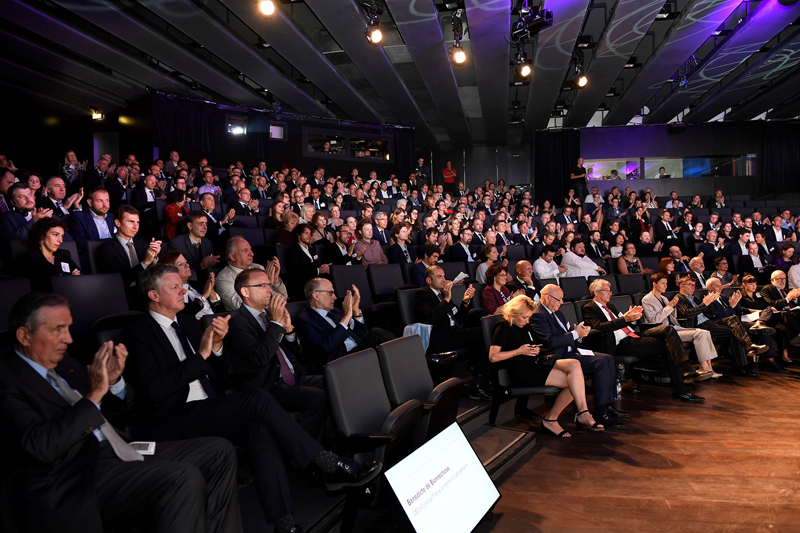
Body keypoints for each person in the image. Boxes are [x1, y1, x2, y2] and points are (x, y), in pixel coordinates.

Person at [121, 265, 381, 533]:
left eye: (181, 285)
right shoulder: (137, 333)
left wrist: (218, 348)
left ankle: (285, 523)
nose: (183, 290)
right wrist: (202, 355)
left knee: (260, 432)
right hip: (174, 415)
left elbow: (219, 376)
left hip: (209, 405)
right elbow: (155, 391)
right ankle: (327, 462)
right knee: (257, 398)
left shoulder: (187, 323)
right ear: (153, 295)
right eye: (174, 287)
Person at [0, 293, 243, 533]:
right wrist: (95, 394)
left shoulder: (66, 365)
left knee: (218, 451)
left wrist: (115, 382)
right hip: (74, 475)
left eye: (68, 328)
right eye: (57, 329)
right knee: (182, 478)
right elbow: (42, 446)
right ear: (24, 335)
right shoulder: (7, 381)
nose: (69, 339)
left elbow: (123, 412)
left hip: (118, 448)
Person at [225, 268, 327, 442]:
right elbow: (261, 357)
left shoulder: (271, 316)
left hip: (295, 375)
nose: (269, 290)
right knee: (317, 398)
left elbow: (300, 354)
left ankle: (337, 437)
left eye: (269, 285)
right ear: (245, 291)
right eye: (262, 285)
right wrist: (275, 323)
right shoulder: (237, 321)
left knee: (335, 381)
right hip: (269, 386)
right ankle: (311, 453)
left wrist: (289, 330)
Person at [490, 295, 603, 436]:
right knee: (573, 383)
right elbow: (493, 356)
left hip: (535, 363)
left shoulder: (523, 325)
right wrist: (519, 351)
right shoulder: (504, 326)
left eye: (529, 317)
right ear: (514, 313)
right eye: (524, 318)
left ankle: (582, 412)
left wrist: (533, 349)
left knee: (575, 365)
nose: (527, 321)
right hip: (522, 371)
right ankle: (553, 419)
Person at [581, 279, 704, 402]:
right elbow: (600, 328)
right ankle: (682, 382)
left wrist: (632, 319)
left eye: (610, 291)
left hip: (634, 335)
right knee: (670, 346)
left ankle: (683, 372)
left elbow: (629, 326)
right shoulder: (589, 308)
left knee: (669, 330)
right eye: (606, 291)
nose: (610, 293)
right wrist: (625, 319)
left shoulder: (611, 306)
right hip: (621, 342)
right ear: (596, 293)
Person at [529, 284, 628, 428]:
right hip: (557, 357)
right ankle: (601, 412)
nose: (561, 303)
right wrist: (575, 334)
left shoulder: (557, 313)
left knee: (607, 358)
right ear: (546, 297)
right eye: (558, 299)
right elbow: (550, 341)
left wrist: (579, 334)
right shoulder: (538, 315)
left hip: (571, 351)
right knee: (599, 362)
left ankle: (607, 405)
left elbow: (568, 334)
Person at [414, 265, 488, 398]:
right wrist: (447, 299)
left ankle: (481, 379)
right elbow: (432, 318)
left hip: (453, 333)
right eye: (439, 277)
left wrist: (465, 302)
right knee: (481, 334)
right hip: (439, 337)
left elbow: (457, 318)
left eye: (444, 276)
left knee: (482, 329)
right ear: (429, 281)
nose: (444, 280)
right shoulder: (422, 295)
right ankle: (478, 384)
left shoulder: (442, 294)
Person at [294, 278, 394, 373]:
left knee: (377, 336)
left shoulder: (335, 312)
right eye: (330, 293)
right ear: (316, 296)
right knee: (377, 334)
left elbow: (363, 335)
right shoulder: (303, 320)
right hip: (338, 361)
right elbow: (324, 346)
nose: (335, 297)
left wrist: (356, 312)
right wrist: (346, 317)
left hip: (357, 350)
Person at [674, 276, 766, 376]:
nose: (693, 288)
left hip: (709, 322)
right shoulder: (679, 298)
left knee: (735, 328)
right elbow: (687, 314)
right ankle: (743, 361)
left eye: (694, 285)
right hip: (698, 326)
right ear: (682, 286)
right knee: (735, 331)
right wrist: (705, 304)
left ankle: (743, 361)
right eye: (690, 285)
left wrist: (713, 305)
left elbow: (711, 314)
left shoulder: (695, 298)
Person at [642, 273, 720, 378]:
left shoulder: (664, 299)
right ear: (654, 284)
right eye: (662, 283)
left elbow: (672, 318)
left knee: (704, 332)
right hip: (660, 330)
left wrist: (673, 310)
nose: (665, 286)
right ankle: (704, 367)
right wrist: (670, 306)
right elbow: (654, 320)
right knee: (699, 334)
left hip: (673, 328)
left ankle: (709, 368)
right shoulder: (647, 299)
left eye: (666, 283)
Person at [96, 205, 161, 289]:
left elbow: (159, 273)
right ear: (118, 223)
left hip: (149, 289)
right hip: (125, 292)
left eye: (137, 222)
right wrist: (145, 262)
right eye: (131, 222)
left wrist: (154, 258)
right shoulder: (105, 249)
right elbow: (119, 278)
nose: (135, 227)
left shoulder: (143, 244)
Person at [217, 237, 286, 310]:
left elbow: (283, 299)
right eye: (245, 251)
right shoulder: (224, 278)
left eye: (250, 250)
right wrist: (268, 285)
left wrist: (275, 280)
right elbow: (239, 305)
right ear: (233, 256)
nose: (252, 254)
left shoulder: (259, 268)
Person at [739, 274, 790, 373]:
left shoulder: (758, 294)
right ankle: (769, 360)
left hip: (760, 317)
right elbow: (739, 309)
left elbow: (767, 305)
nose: (754, 286)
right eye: (751, 284)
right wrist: (754, 311)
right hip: (747, 319)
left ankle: (760, 324)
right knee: (765, 327)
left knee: (769, 316)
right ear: (744, 284)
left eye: (755, 283)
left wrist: (770, 308)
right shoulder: (740, 295)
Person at [161, 250, 223, 320]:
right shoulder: (172, 293)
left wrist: (211, 291)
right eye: (180, 264)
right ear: (169, 271)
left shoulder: (198, 285)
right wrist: (204, 297)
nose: (187, 265)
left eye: (186, 262)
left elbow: (221, 310)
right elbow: (186, 314)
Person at [19, 218, 80, 288]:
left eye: (62, 236)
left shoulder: (64, 254)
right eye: (55, 235)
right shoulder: (29, 258)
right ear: (41, 236)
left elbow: (79, 274)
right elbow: (36, 286)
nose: (60, 240)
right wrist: (69, 279)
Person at [167, 210, 219, 290]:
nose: (205, 228)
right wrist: (201, 266)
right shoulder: (176, 244)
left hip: (206, 284)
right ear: (190, 226)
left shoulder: (208, 243)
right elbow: (173, 271)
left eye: (206, 224)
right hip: (183, 286)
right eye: (200, 224)